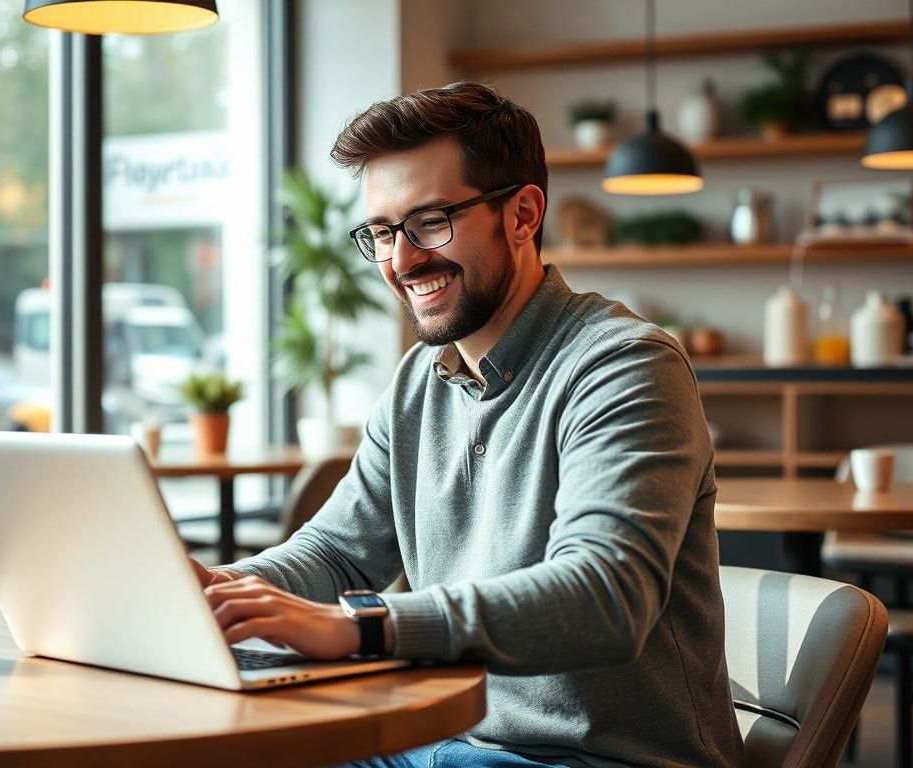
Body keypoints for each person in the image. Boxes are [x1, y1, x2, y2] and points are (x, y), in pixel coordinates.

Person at [191, 82, 744, 767]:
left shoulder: (625, 365)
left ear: (522, 214)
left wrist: (362, 628)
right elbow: (337, 554)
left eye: (429, 222)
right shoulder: (418, 382)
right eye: (384, 232)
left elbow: (606, 595)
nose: (400, 261)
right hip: (444, 742)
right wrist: (215, 595)